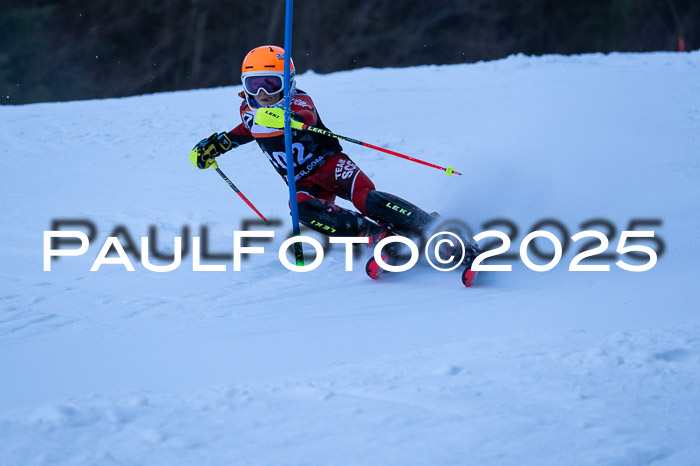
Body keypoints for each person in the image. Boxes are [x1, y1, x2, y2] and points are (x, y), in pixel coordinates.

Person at [189, 45, 475, 277]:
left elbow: (306, 117)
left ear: (288, 83)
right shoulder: (247, 109)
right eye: (254, 85)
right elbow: (248, 129)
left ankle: (434, 228)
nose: (262, 94)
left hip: (330, 166)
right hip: (301, 180)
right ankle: (375, 235)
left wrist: (288, 119)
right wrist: (218, 145)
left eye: (270, 84)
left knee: (369, 200)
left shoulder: (298, 102)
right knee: (300, 208)